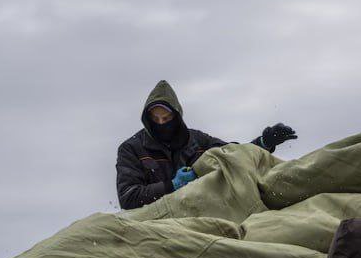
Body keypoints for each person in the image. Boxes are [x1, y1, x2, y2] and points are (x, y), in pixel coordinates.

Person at [114, 79, 297, 209]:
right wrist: (172, 185)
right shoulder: (131, 149)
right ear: (148, 120)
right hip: (156, 224)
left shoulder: (198, 141)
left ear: (177, 117)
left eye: (167, 118)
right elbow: (128, 198)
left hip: (203, 217)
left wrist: (264, 143)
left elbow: (233, 157)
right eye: (156, 119)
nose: (161, 123)